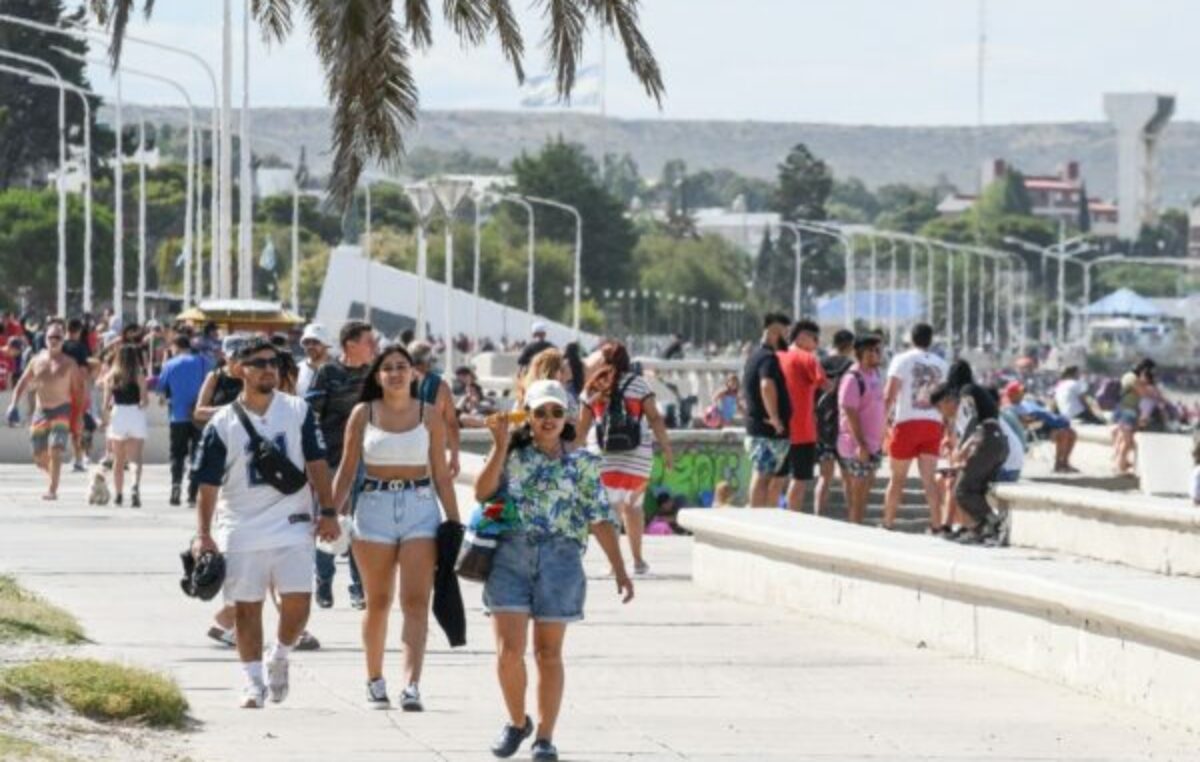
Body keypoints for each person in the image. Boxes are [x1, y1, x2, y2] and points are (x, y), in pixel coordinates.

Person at [474, 379, 633, 762]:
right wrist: (498, 446)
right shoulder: (510, 453)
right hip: (511, 555)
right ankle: (517, 722)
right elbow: (481, 493)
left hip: (560, 561)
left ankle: (544, 737)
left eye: (556, 412)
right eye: (540, 412)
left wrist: (620, 569)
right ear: (527, 416)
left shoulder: (582, 464)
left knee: (548, 653)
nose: (548, 419)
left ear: (568, 418)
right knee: (507, 652)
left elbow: (599, 519)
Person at [191, 337, 340, 708]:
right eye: (259, 362)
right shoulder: (222, 423)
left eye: (273, 362)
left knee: (298, 604)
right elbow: (207, 484)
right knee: (246, 607)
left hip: (293, 519)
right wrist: (203, 534)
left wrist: (329, 510)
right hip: (240, 523)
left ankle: (281, 655)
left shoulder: (298, 411)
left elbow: (317, 462)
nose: (268, 368)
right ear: (240, 369)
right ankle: (252, 681)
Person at [331, 344, 460, 711]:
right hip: (373, 506)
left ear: (414, 373)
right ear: (377, 376)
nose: (396, 373)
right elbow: (346, 470)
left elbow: (441, 474)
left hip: (420, 506)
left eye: (402, 366)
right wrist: (329, 513)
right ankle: (374, 678)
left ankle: (412, 685)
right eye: (387, 368)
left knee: (416, 601)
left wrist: (453, 522)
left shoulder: (430, 414)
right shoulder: (363, 413)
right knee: (379, 601)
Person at [583, 340, 673, 575]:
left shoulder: (594, 386)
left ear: (603, 361)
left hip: (603, 456)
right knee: (633, 508)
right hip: (637, 456)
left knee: (609, 510)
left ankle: (615, 565)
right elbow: (655, 419)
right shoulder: (639, 384)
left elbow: (581, 426)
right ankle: (638, 561)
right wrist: (667, 450)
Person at [307, 320, 377, 609]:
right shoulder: (328, 372)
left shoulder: (375, 375)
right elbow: (310, 418)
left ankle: (358, 587)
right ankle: (323, 578)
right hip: (333, 461)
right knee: (331, 520)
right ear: (351, 344)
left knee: (362, 525)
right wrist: (314, 461)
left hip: (369, 461)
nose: (373, 347)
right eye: (368, 341)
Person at [5, 319, 83, 500]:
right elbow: (22, 383)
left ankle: (52, 489)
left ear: (63, 340)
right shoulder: (36, 360)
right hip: (41, 411)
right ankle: (53, 475)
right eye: (51, 337)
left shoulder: (70, 364)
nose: (54, 340)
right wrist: (13, 404)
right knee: (39, 457)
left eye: (58, 337)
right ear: (45, 339)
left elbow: (79, 391)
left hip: (62, 409)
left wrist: (78, 416)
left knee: (55, 450)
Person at [882, 323, 948, 531]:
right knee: (928, 479)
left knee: (897, 478)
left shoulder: (901, 360)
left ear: (911, 337)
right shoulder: (942, 364)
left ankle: (888, 522)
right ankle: (937, 524)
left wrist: (883, 424)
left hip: (907, 422)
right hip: (933, 423)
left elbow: (889, 395)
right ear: (931, 339)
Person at [931, 376, 1009, 545]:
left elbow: (975, 427)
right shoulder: (958, 414)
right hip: (996, 443)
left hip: (989, 443)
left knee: (962, 490)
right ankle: (983, 529)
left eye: (939, 407)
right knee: (972, 489)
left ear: (947, 400)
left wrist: (961, 450)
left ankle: (995, 523)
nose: (940, 412)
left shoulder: (963, 404)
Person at [776, 320, 828, 512]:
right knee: (799, 480)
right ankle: (790, 519)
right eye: (815, 338)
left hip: (776, 428)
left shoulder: (777, 356)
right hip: (802, 430)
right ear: (803, 337)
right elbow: (825, 384)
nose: (817, 343)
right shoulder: (807, 358)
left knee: (776, 479)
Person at [742, 313, 792, 508]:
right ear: (773, 332)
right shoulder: (768, 358)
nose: (787, 338)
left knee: (765, 476)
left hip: (759, 430)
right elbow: (766, 385)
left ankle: (760, 518)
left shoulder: (754, 356)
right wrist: (775, 418)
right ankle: (755, 521)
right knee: (762, 476)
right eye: (785, 333)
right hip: (766, 432)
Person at [836, 334, 885, 525]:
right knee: (857, 494)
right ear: (860, 353)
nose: (876, 354)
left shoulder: (874, 374)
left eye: (877, 350)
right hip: (856, 445)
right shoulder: (852, 377)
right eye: (871, 350)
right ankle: (853, 530)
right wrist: (861, 444)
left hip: (873, 444)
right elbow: (850, 412)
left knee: (865, 491)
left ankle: (857, 526)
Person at [158, 335, 210, 506]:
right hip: (199, 416)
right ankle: (192, 493)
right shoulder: (203, 361)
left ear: (175, 346)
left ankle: (176, 486)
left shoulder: (170, 364)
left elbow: (161, 390)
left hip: (177, 416)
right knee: (198, 453)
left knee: (177, 455)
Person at [102, 345, 149, 508]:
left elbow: (106, 404)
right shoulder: (138, 374)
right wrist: (140, 405)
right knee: (135, 457)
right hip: (135, 412)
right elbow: (145, 400)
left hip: (118, 414)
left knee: (119, 459)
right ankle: (135, 486)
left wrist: (106, 420)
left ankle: (119, 495)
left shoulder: (112, 375)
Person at [408, 341, 462, 478]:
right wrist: (454, 457)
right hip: (431, 451)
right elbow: (452, 424)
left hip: (402, 448)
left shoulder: (399, 381)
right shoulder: (441, 386)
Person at [815, 329, 855, 515]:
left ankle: (818, 515)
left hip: (823, 426)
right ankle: (853, 518)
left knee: (825, 477)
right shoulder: (851, 367)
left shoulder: (821, 364)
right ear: (850, 345)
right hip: (845, 428)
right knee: (848, 477)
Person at [1003, 382, 1077, 473]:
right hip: (1029, 433)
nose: (1022, 394)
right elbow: (1023, 424)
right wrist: (1037, 420)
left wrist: (1039, 419)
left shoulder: (1024, 404)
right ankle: (1058, 464)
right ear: (1012, 394)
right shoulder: (1010, 408)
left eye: (1022, 392)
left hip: (1038, 428)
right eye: (1020, 392)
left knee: (1071, 433)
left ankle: (1065, 462)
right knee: (1063, 433)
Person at [63, 318, 93, 472]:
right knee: (76, 427)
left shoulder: (58, 346)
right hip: (75, 391)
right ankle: (78, 459)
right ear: (79, 331)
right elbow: (83, 371)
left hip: (58, 391)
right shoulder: (80, 348)